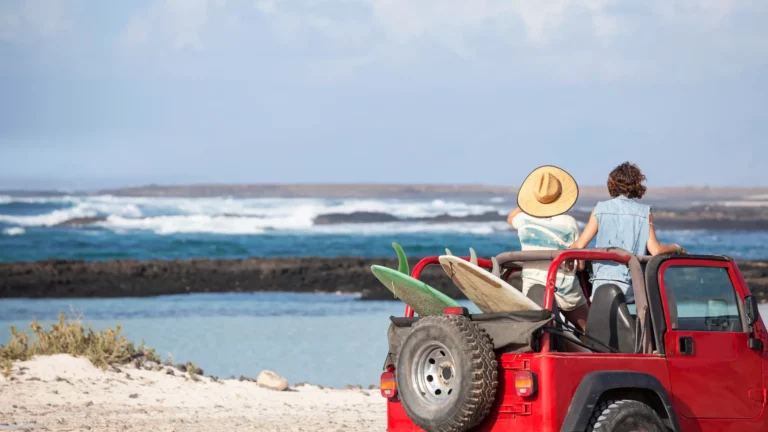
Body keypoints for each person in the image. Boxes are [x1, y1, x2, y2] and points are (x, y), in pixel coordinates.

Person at [568, 162, 686, 303]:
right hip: (632, 284)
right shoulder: (644, 212)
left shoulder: (600, 209)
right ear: (636, 185)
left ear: (612, 185)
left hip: (602, 284)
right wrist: (677, 248)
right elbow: (655, 250)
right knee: (662, 293)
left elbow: (579, 246)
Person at [507, 166, 589, 331]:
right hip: (564, 288)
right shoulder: (569, 222)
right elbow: (580, 265)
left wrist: (526, 205)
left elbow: (510, 218)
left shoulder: (523, 220)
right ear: (560, 197)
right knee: (592, 331)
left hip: (532, 289)